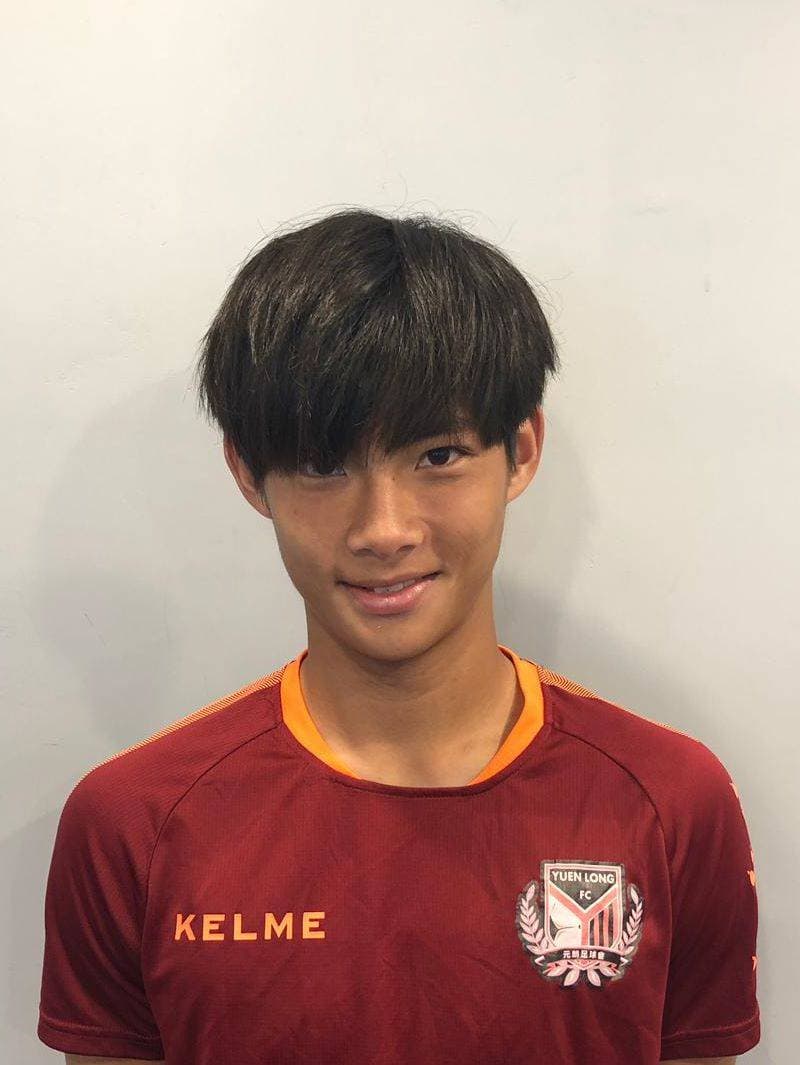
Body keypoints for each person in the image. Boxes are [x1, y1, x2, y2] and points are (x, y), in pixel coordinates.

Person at [37, 208, 760, 1064]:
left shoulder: (672, 800)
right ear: (249, 474)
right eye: (322, 464)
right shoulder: (134, 822)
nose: (383, 529)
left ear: (522, 449)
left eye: (438, 455)